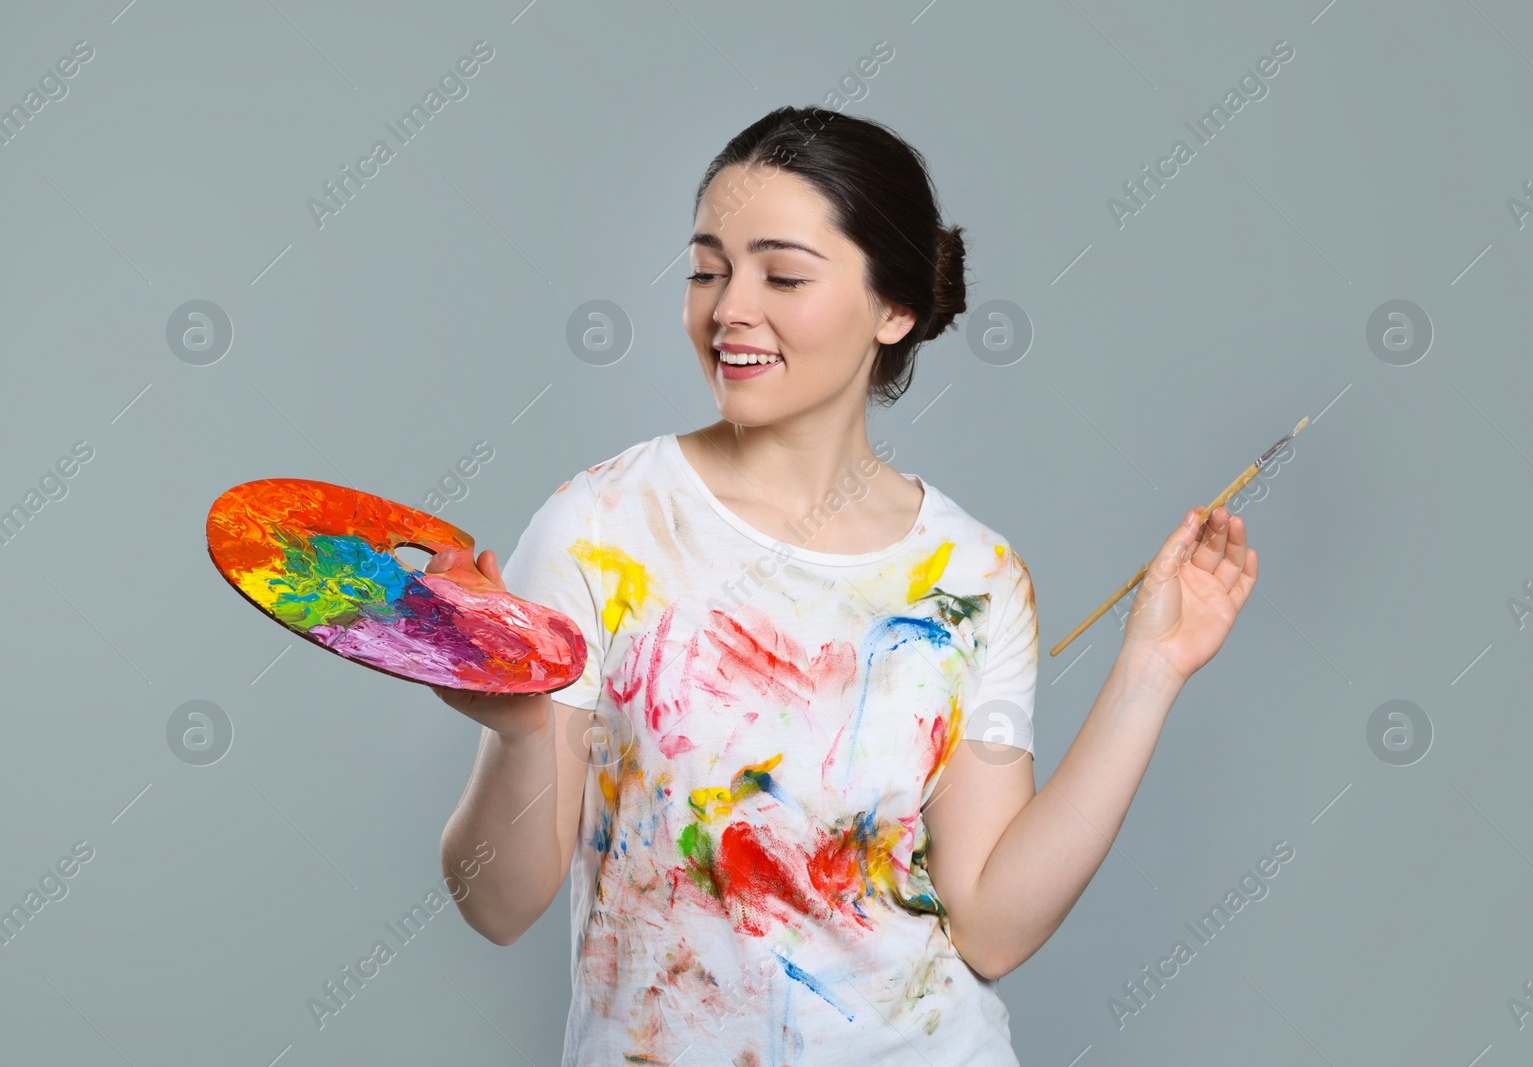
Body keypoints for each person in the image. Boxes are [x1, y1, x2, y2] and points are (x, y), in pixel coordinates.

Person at [434, 105, 1258, 1066]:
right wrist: (525, 723)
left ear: (894, 307)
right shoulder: (599, 531)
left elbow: (991, 923)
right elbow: (495, 904)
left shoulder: (972, 578)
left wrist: (1151, 670)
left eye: (783, 274)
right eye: (707, 270)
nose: (730, 307)